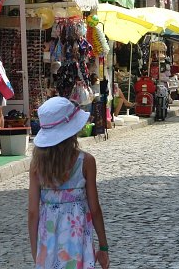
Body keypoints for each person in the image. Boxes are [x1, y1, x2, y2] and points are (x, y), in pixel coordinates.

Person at [28, 97, 109, 269]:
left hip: (48, 242)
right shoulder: (86, 162)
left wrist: (36, 251)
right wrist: (103, 246)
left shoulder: (37, 166)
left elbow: (33, 212)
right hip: (77, 242)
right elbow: (94, 209)